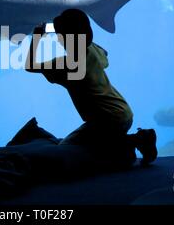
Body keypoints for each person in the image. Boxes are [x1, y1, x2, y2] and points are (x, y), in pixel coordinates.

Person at [25, 9, 157, 166]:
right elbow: (105, 53)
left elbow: (30, 66)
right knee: (94, 141)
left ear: (62, 38)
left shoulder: (66, 65)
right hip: (124, 113)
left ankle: (134, 141)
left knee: (66, 148)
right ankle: (132, 142)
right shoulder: (93, 51)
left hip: (105, 121)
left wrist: (37, 37)